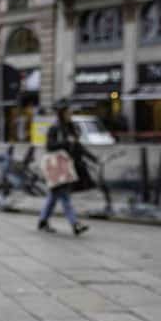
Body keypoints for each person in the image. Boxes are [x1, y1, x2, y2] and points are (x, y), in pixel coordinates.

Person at [37, 98, 96, 235]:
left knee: (54, 196)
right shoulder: (55, 128)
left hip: (68, 166)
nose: (71, 114)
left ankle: (43, 221)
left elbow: (78, 147)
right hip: (59, 167)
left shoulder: (71, 128)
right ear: (62, 113)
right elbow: (49, 146)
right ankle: (75, 224)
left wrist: (93, 158)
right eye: (68, 112)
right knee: (64, 196)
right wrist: (65, 142)